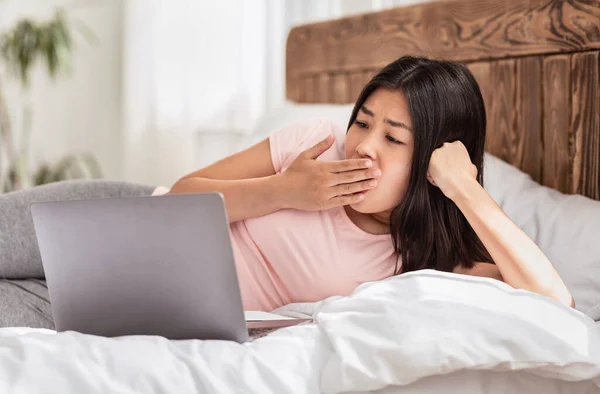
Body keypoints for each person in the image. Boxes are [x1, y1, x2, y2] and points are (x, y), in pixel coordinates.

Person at [168, 56, 574, 311]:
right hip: (144, 232)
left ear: (431, 165)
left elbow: (555, 301)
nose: (362, 146)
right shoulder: (318, 143)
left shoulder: (421, 263)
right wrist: (283, 190)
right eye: (362, 123)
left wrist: (462, 186)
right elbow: (175, 199)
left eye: (393, 138)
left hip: (175, 307)